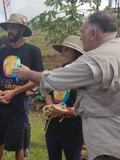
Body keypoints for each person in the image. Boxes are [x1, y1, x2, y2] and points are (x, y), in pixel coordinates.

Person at [16, 11, 120, 160]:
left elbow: (52, 80)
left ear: (93, 33)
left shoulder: (95, 60)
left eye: (82, 32)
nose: (81, 37)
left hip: (107, 146)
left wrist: (28, 73)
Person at [0, 13, 43, 160]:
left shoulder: (33, 51)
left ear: (22, 30)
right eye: (8, 27)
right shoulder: (2, 52)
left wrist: (14, 92)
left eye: (13, 27)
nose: (9, 31)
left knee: (19, 143)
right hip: (0, 103)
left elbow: (37, 79)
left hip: (19, 105)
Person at [45, 35, 83, 160]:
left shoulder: (83, 76)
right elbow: (47, 92)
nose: (63, 53)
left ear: (76, 53)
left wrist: (65, 111)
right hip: (53, 128)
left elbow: (85, 104)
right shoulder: (57, 73)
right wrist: (51, 106)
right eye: (62, 50)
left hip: (73, 129)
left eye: (67, 50)